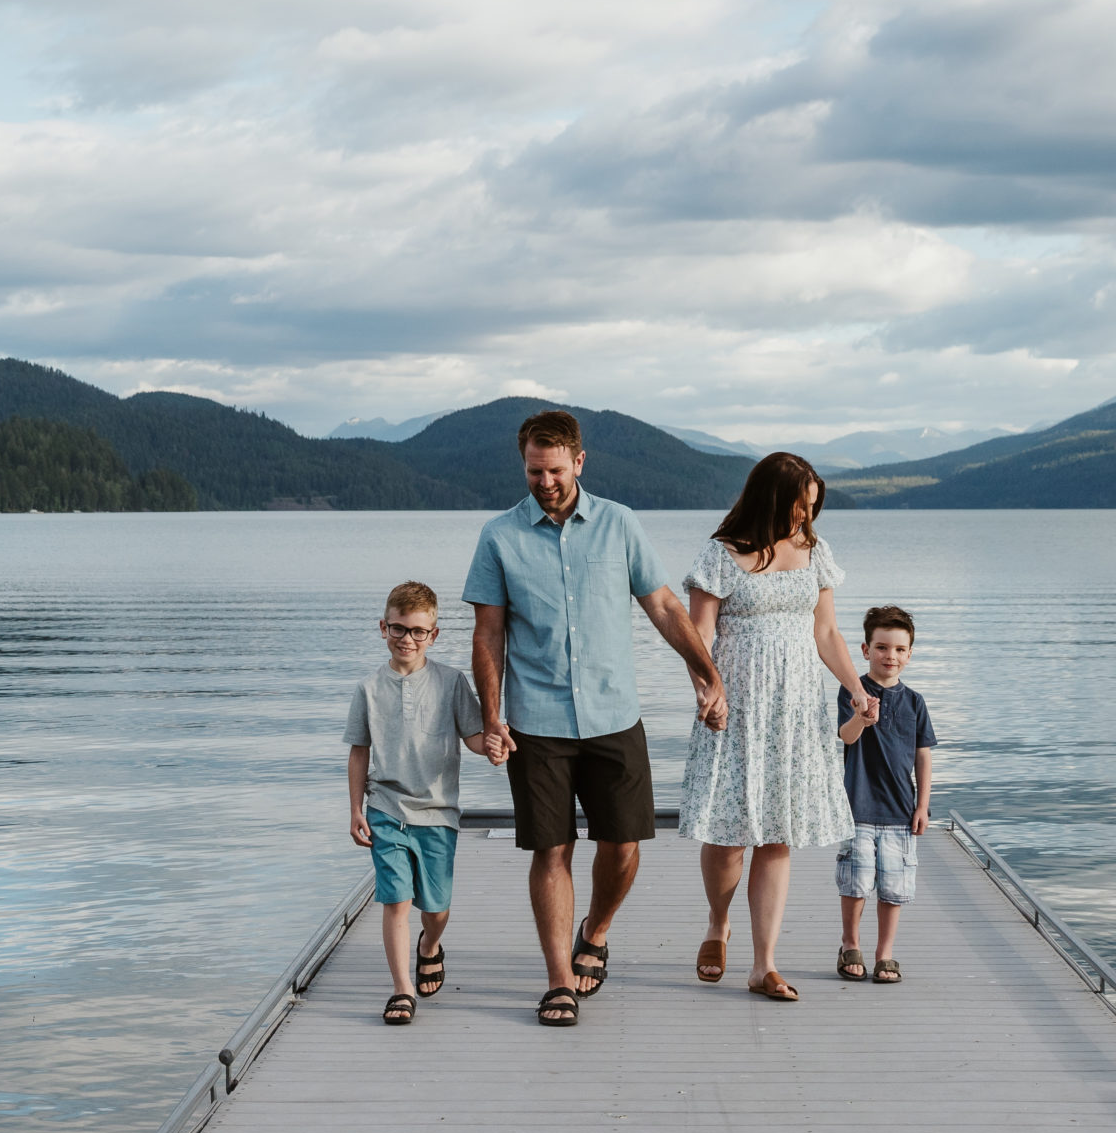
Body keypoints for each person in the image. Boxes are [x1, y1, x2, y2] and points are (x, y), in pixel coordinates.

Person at [466, 409, 728, 1030]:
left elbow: (664, 605)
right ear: (523, 464)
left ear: (580, 462)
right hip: (537, 720)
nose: (546, 482)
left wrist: (707, 671)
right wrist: (492, 717)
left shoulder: (619, 524)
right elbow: (487, 635)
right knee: (550, 849)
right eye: (535, 471)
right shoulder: (499, 536)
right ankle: (558, 980)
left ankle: (597, 930)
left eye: (556, 470)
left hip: (615, 715)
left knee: (623, 844)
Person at [676, 452, 876, 1002]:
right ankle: (719, 923)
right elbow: (697, 636)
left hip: (797, 709)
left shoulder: (815, 552)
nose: (803, 517)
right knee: (728, 832)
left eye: (810, 508)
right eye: (796, 505)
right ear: (770, 498)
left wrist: (858, 690)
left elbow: (828, 634)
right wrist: (707, 692)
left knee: (779, 832)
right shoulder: (720, 555)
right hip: (736, 703)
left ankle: (763, 965)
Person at [345, 580, 487, 1026]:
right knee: (396, 901)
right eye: (399, 629)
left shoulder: (451, 682)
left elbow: (475, 737)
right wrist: (354, 810)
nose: (408, 639)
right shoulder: (368, 688)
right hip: (386, 808)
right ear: (382, 627)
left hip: (438, 812)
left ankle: (429, 946)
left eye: (418, 631)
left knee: (436, 908)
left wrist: (497, 745)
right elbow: (359, 751)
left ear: (434, 634)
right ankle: (402, 989)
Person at [834, 605, 936, 986]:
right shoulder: (852, 691)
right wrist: (861, 716)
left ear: (909, 655)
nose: (889, 656)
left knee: (893, 888)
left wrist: (922, 806)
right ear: (865, 650)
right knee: (855, 882)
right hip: (856, 807)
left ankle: (885, 953)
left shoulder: (915, 702)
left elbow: (922, 756)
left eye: (898, 649)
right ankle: (850, 944)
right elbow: (845, 736)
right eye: (881, 647)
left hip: (899, 811)